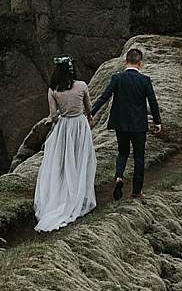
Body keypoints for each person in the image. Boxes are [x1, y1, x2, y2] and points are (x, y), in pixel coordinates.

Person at [33, 55, 97, 232]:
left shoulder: (53, 89)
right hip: (79, 125)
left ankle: (63, 195)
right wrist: (88, 117)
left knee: (63, 161)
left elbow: (54, 115)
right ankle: (80, 194)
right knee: (80, 158)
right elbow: (88, 106)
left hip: (64, 127)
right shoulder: (82, 85)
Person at [91, 47, 162, 200]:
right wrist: (157, 122)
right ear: (140, 63)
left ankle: (119, 176)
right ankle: (136, 190)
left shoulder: (117, 78)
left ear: (125, 61)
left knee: (122, 152)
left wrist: (91, 112)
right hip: (138, 125)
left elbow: (105, 96)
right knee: (139, 157)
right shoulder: (145, 80)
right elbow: (153, 103)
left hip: (121, 123)